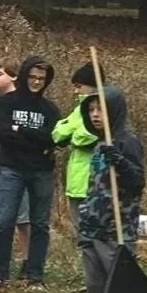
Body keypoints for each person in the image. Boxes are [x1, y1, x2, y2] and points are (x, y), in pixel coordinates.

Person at [72, 86, 147, 293]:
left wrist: (120, 162)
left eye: (101, 109)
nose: (95, 115)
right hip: (92, 230)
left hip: (116, 232)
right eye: (91, 110)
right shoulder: (98, 144)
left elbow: (137, 183)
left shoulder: (126, 141)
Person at [0, 56, 60, 290]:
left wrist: (22, 131)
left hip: (42, 171)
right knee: (5, 221)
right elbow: (4, 135)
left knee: (39, 223)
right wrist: (35, 138)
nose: (36, 82)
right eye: (32, 77)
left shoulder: (50, 109)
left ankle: (35, 275)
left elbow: (53, 139)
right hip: (12, 169)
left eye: (41, 78)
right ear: (25, 75)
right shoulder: (6, 103)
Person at [0, 58, 30, 261]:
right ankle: (0, 260)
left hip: (14, 169)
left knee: (22, 218)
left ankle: (28, 259)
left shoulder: (20, 102)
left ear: (14, 77)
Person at [54, 63, 102, 217]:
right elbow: (58, 133)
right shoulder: (79, 109)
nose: (75, 91)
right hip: (77, 181)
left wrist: (72, 135)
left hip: (94, 181)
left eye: (79, 86)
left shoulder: (104, 107)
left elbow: (85, 136)